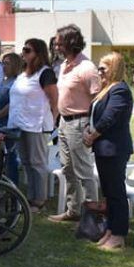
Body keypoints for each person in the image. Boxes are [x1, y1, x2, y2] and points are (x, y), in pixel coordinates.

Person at [49, 25, 100, 223]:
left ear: (70, 43)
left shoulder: (86, 68)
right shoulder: (64, 65)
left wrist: (92, 128)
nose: (56, 46)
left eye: (59, 43)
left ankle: (92, 217)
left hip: (80, 123)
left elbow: (98, 99)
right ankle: (74, 210)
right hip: (64, 122)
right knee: (67, 168)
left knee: (84, 171)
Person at [82, 52, 133, 251]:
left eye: (103, 68)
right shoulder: (106, 90)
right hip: (103, 148)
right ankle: (110, 230)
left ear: (113, 68)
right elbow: (95, 115)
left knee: (116, 192)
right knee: (108, 193)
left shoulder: (119, 89)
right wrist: (88, 129)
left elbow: (110, 117)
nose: (99, 72)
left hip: (114, 148)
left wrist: (92, 135)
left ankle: (119, 234)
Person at [9, 38, 58, 212]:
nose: (23, 53)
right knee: (27, 162)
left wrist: (50, 121)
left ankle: (40, 200)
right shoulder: (23, 74)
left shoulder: (45, 73)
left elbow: (54, 100)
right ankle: (30, 197)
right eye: (23, 50)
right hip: (19, 124)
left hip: (36, 125)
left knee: (37, 163)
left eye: (27, 50)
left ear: (38, 53)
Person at [0, 52, 21, 183]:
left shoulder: (16, 83)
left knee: (10, 158)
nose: (3, 66)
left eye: (7, 63)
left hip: (6, 125)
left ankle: (12, 189)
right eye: (3, 63)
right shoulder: (3, 81)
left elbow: (11, 105)